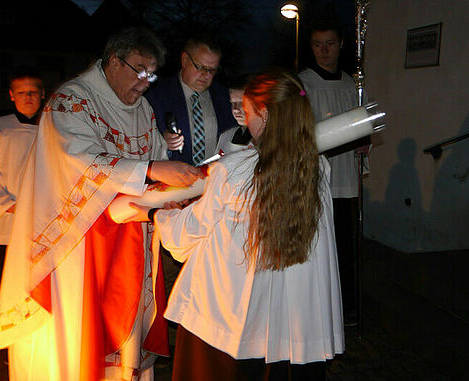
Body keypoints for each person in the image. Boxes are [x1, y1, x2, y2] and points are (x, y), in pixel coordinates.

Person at [0, 27, 203, 381]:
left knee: (123, 337)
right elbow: (78, 159)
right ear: (113, 61)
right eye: (139, 70)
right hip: (77, 243)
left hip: (128, 241)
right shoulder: (71, 101)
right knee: (78, 337)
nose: (146, 82)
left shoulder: (143, 109)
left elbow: (153, 159)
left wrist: (170, 183)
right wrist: (152, 168)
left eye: (152, 73)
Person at [127, 69, 344, 380]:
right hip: (296, 318)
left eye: (248, 110)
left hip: (232, 322)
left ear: (265, 114)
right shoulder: (319, 167)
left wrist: (159, 215)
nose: (244, 118)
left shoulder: (234, 169)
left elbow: (190, 233)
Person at [299, 18, 369, 324]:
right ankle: (318, 306)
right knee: (318, 245)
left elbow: (362, 123)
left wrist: (365, 141)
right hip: (317, 178)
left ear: (341, 44)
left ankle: (346, 306)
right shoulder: (303, 83)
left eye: (329, 44)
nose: (323, 51)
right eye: (317, 44)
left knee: (344, 244)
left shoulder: (351, 84)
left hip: (344, 177)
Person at [0, 66, 45, 246]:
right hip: (8, 216)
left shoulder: (53, 126)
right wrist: (8, 204)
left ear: (42, 93)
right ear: (12, 95)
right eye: (21, 92)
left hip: (44, 213)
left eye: (33, 92)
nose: (28, 97)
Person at [146, 33, 236, 165]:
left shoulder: (225, 98)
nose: (206, 75)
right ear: (184, 60)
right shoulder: (156, 95)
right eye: (200, 67)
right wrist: (161, 142)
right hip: (173, 179)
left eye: (212, 70)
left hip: (216, 179)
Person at [215, 74, 253, 154]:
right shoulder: (226, 137)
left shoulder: (270, 140)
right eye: (233, 103)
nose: (235, 109)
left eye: (242, 103)